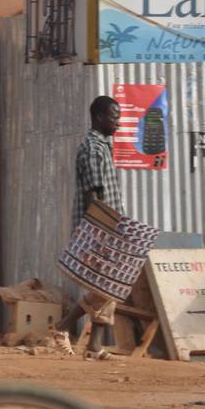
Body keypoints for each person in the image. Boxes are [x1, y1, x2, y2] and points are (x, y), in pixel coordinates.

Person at [60, 96, 123, 351]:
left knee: (108, 285)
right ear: (98, 117)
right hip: (99, 226)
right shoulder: (93, 148)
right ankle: (64, 326)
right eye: (113, 116)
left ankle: (94, 346)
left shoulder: (104, 146)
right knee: (105, 285)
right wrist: (98, 231)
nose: (117, 122)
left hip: (109, 224)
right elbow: (93, 195)